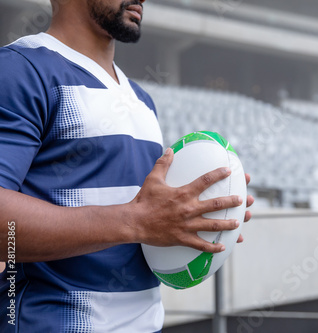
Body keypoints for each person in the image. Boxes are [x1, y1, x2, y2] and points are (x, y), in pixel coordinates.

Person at [0, 0, 254, 331]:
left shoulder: (142, 101)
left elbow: (147, 223)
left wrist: (197, 217)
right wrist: (136, 222)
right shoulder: (20, 69)